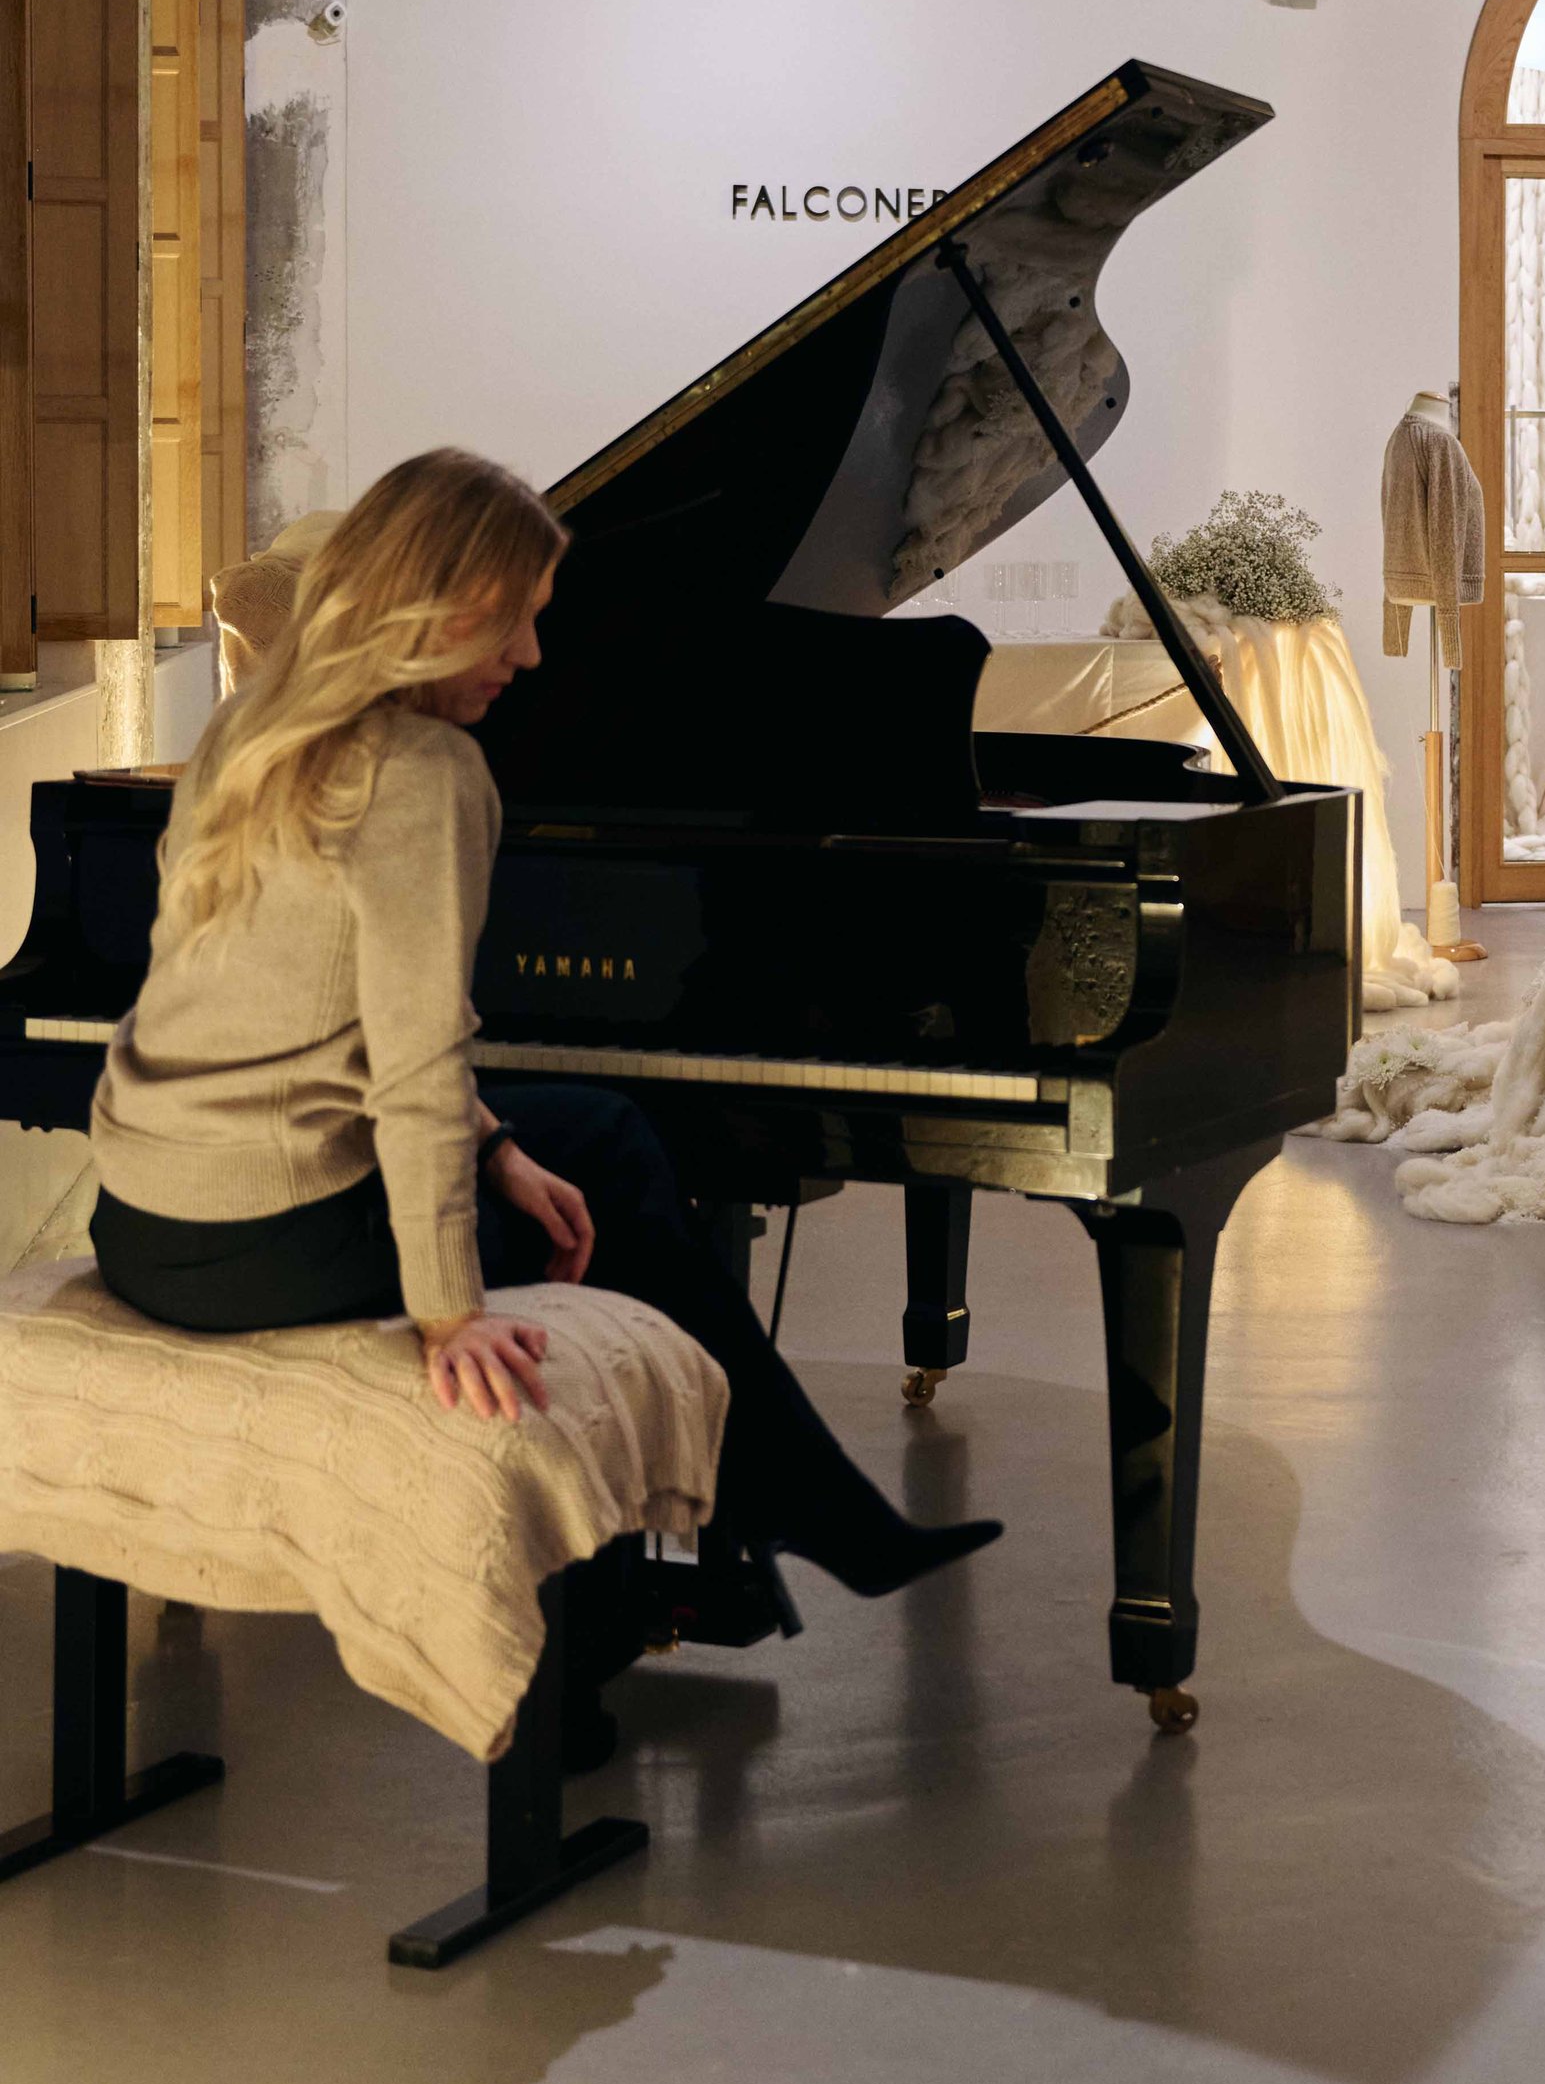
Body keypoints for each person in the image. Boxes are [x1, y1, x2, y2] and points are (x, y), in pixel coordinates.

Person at [88, 448, 997, 1748]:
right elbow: (405, 1067)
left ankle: (766, 1523)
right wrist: (449, 1310)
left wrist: (499, 1146)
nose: (530, 652)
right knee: (614, 1197)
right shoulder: (422, 773)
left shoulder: (253, 729)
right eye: (514, 614)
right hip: (271, 1244)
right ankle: (594, 1653)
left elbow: (307, 1019)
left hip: (149, 1220)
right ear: (439, 604)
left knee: (590, 1142)